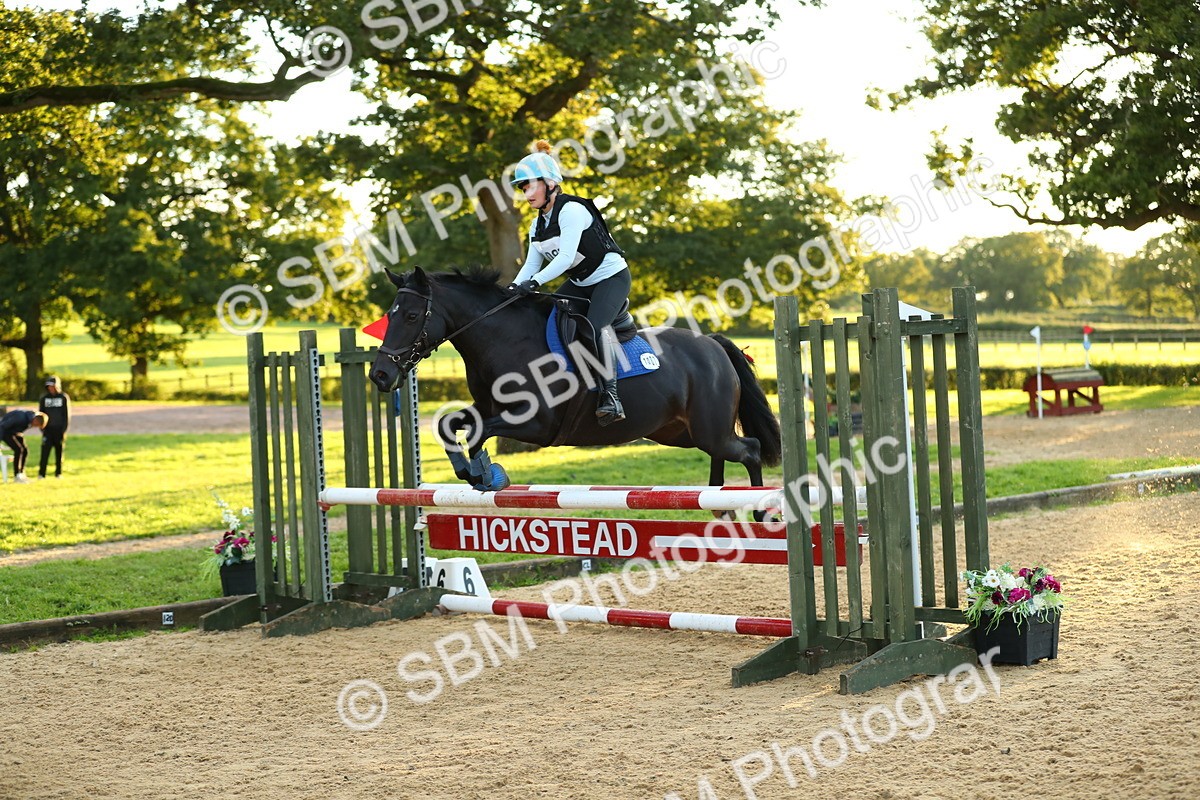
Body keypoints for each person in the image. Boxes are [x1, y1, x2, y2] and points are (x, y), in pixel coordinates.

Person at [506, 139, 630, 426]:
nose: (526, 193)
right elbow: (530, 265)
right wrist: (512, 290)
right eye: (522, 188)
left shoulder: (572, 210)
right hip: (582, 281)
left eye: (530, 185)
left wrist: (533, 283)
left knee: (594, 326)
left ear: (549, 183)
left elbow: (564, 259)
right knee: (552, 318)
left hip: (610, 277)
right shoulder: (536, 225)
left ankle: (611, 396)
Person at [0, 410, 48, 483]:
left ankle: (21, 473)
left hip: (15, 432)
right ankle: (17, 475)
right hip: (6, 432)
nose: (35, 427)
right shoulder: (20, 418)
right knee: (18, 449)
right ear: (35, 420)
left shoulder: (29, 419)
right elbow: (2, 426)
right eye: (36, 425)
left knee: (25, 450)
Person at [38, 375, 70, 479]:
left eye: (53, 386)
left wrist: (64, 430)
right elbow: (41, 413)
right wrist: (42, 428)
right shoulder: (44, 399)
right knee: (44, 453)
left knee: (59, 452)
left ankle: (58, 473)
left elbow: (66, 415)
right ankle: (41, 474)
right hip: (47, 430)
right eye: (49, 386)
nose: (51, 388)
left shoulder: (63, 398)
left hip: (59, 430)